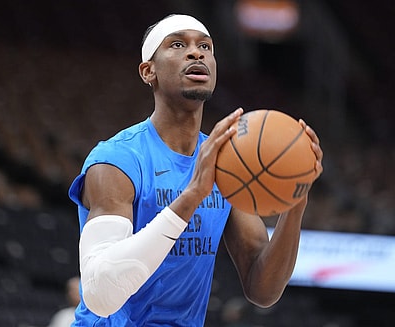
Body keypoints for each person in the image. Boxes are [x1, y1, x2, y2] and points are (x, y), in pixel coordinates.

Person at [68, 13, 323, 326]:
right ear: (148, 71)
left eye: (206, 46)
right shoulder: (116, 160)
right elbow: (100, 294)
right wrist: (193, 194)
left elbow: (263, 289)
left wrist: (295, 201)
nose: (196, 52)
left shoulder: (229, 163)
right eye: (177, 44)